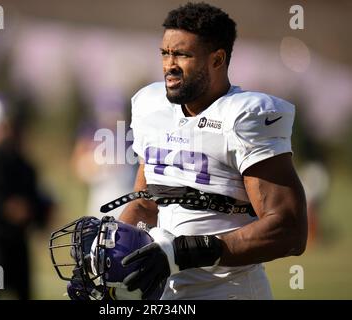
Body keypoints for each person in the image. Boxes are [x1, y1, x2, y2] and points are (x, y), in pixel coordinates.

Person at [115, 2, 308, 300]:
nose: (169, 65)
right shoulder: (151, 106)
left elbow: (288, 230)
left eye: (182, 54)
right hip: (165, 291)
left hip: (228, 291)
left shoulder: (244, 117)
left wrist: (187, 252)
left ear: (217, 59)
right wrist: (112, 252)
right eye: (165, 53)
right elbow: (145, 206)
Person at [0, 94, 54, 299]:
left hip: (17, 238)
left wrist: (42, 213)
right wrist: (5, 207)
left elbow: (32, 202)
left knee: (25, 292)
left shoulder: (25, 165)